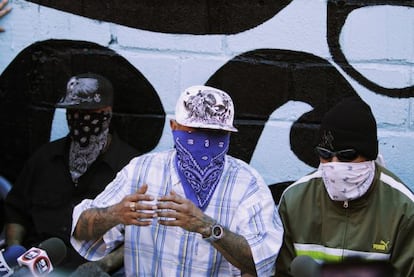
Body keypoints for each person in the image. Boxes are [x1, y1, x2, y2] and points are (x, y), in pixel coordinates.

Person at [70, 85, 283, 276]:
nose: (205, 143)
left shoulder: (247, 183)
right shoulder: (141, 171)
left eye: (216, 134)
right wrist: (115, 213)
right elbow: (80, 231)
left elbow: (262, 263)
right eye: (195, 132)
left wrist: (209, 228)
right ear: (174, 127)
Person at [4, 73, 139, 275]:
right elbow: (17, 213)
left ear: (108, 112)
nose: (81, 118)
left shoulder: (133, 167)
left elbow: (138, 237)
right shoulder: (44, 159)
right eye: (73, 111)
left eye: (90, 112)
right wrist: (15, 251)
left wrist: (103, 266)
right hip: (37, 268)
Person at [275, 96, 414, 277]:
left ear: (369, 154)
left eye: (346, 155)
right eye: (325, 154)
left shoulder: (403, 210)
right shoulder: (294, 201)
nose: (334, 165)